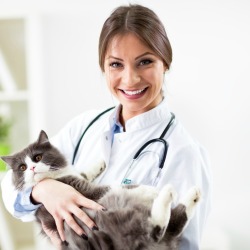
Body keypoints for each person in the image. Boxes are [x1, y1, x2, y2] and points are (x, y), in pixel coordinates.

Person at [1, 4, 212, 250]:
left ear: (165, 63)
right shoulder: (84, 126)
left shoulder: (184, 152)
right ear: (103, 67)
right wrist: (45, 190)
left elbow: (182, 245)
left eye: (144, 62)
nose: (130, 78)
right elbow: (9, 187)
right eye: (116, 64)